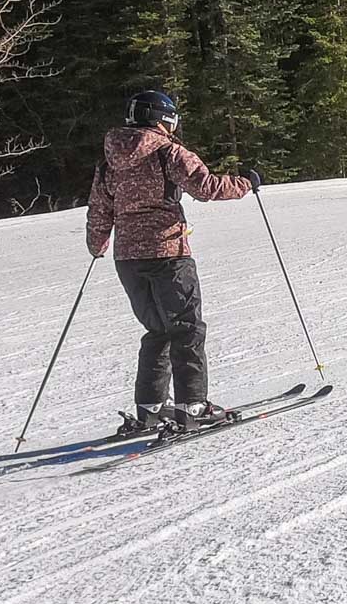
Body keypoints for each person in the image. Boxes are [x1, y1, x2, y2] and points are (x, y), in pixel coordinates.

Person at [86, 90, 258, 436]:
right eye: (170, 118)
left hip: (129, 260)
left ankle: (150, 408)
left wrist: (97, 244)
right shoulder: (168, 151)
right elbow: (206, 187)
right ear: (160, 119)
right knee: (186, 329)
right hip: (168, 254)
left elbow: (99, 208)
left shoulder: (110, 160)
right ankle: (192, 406)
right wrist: (246, 184)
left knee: (158, 330)